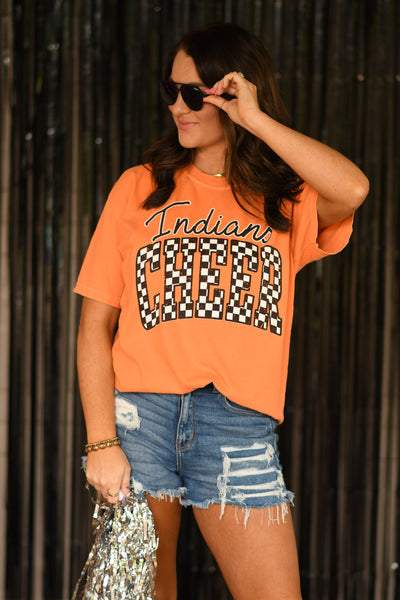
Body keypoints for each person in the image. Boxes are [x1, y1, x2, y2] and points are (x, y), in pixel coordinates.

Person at [75, 22, 369, 600]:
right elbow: (94, 325)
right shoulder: (139, 187)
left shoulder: (284, 200)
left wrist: (255, 120)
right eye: (171, 90)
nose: (176, 106)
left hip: (237, 423)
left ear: (233, 93)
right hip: (140, 418)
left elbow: (353, 190)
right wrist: (101, 443)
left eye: (193, 93)